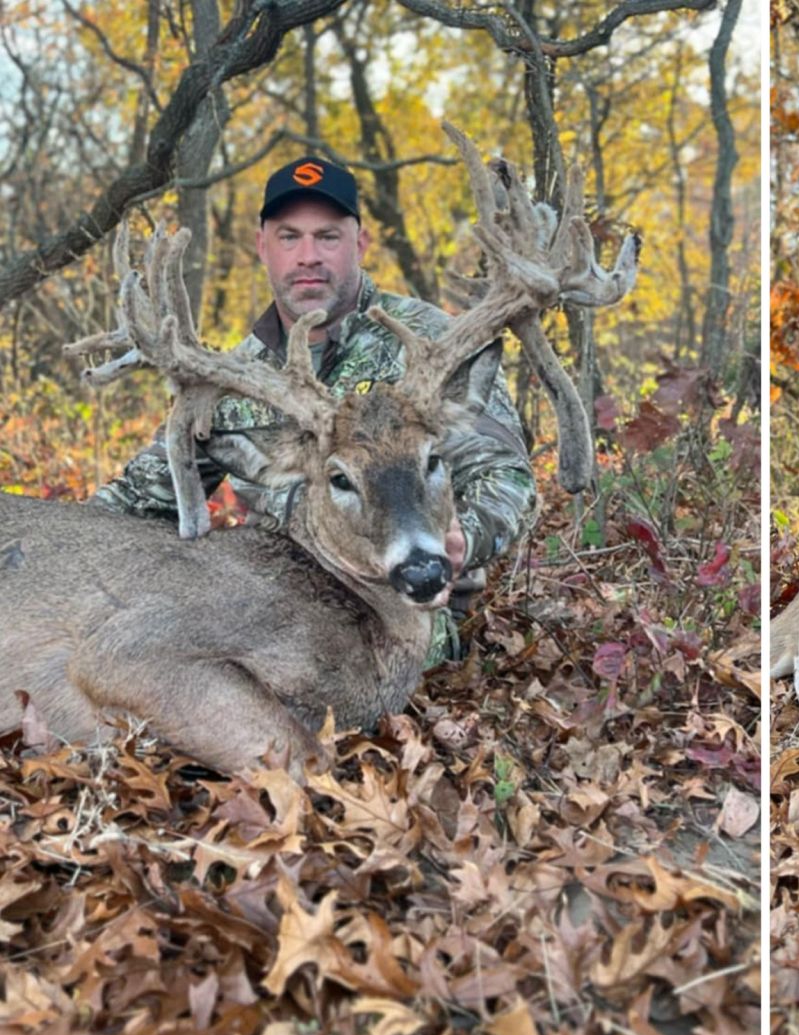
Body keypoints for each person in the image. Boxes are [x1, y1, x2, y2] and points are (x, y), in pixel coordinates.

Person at [95, 156, 537, 666]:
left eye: (327, 236)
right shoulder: (232, 379)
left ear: (360, 244)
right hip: (275, 593)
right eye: (289, 237)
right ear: (263, 247)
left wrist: (466, 537)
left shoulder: (431, 346)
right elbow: (139, 499)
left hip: (407, 597)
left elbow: (507, 476)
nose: (308, 256)